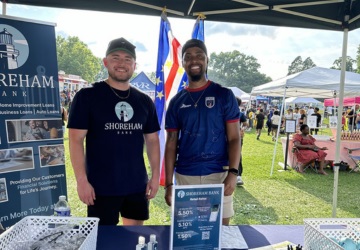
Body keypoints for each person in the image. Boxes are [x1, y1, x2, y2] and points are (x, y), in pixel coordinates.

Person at [67, 37, 160, 226]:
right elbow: (76, 140)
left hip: (136, 185)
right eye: (115, 57)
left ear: (135, 65)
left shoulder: (144, 101)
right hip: (100, 187)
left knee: (133, 240)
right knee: (104, 242)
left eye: (127, 59)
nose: (121, 64)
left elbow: (152, 140)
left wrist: (156, 176)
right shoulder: (87, 96)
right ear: (105, 62)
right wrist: (81, 181)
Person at [164, 39, 241, 226]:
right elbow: (171, 142)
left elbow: (234, 138)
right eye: (188, 57)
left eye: (199, 55)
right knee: (189, 232)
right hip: (186, 175)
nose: (194, 60)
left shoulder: (224, 95)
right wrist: (168, 184)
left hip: (218, 174)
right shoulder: (176, 101)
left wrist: (233, 172)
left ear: (207, 60)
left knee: (220, 230)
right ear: (182, 63)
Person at [236, 97, 248, 186]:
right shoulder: (223, 112)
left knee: (237, 155)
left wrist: (242, 130)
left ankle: (238, 175)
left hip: (237, 137)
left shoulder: (240, 114)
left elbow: (245, 124)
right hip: (224, 137)